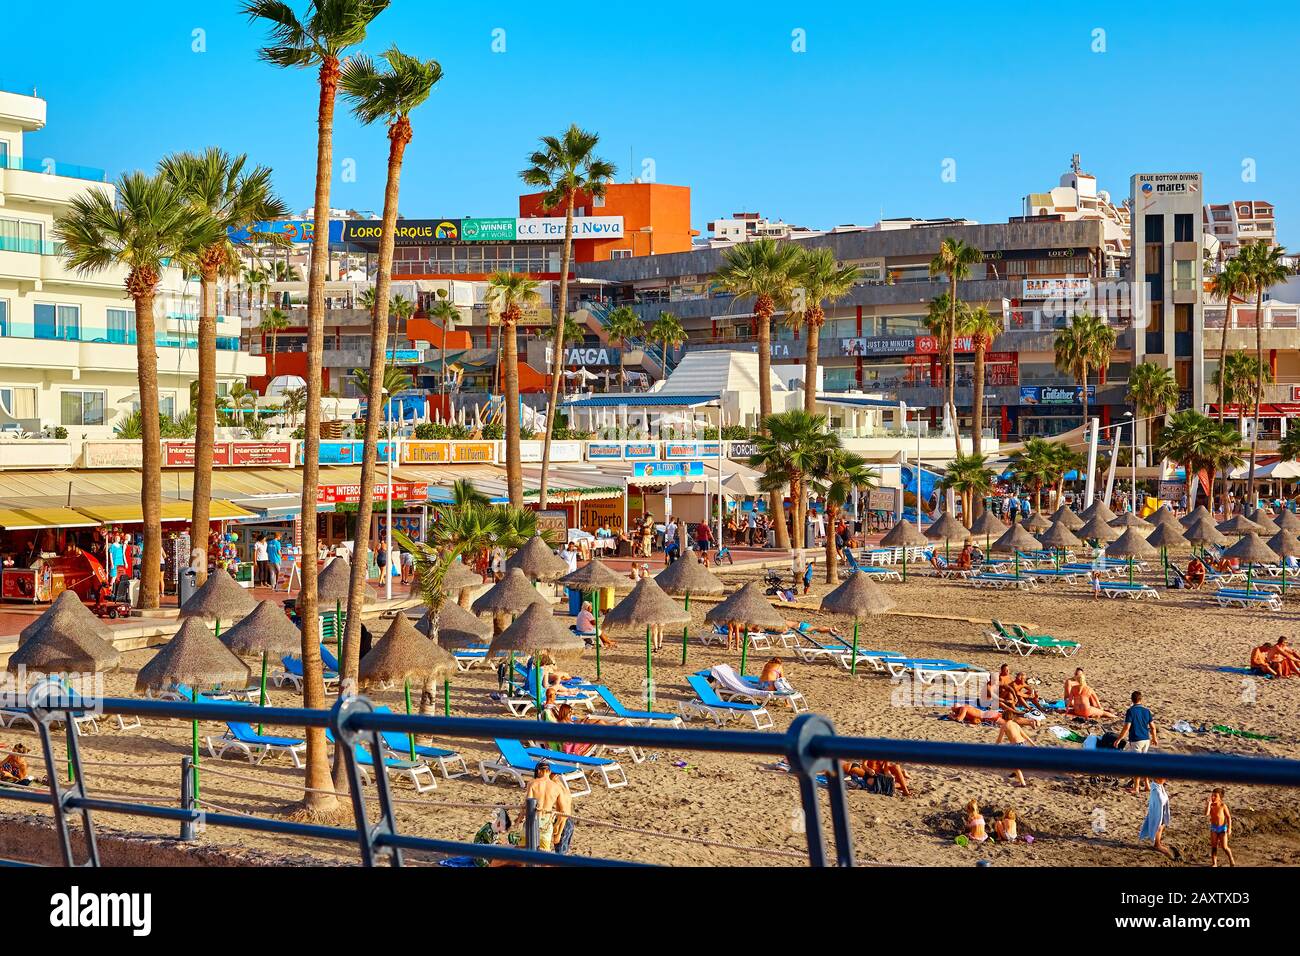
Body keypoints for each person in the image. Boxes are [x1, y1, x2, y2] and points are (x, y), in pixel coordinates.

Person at [524, 761, 573, 853]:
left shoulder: (533, 783)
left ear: (539, 771)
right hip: (548, 822)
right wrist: (556, 827)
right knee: (545, 853)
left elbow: (528, 803)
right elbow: (564, 812)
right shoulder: (559, 788)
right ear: (549, 772)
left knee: (524, 849)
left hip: (534, 818)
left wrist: (558, 830)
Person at [1118, 690, 1157, 795]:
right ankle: (1147, 785)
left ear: (1132, 700)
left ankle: (1136, 787)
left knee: (1137, 764)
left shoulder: (1131, 711)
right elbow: (1153, 727)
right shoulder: (1146, 711)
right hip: (1146, 739)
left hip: (1136, 740)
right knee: (1144, 763)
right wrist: (1154, 738)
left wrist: (1118, 739)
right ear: (1141, 699)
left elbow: (1127, 727)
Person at [1139, 777, 1175, 860]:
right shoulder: (1156, 789)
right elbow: (1160, 800)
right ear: (1158, 779)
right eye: (1164, 778)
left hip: (1160, 809)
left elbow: (1162, 799)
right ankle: (1157, 844)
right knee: (1158, 826)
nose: (1166, 779)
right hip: (1157, 811)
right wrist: (1166, 798)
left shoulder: (1159, 786)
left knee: (1161, 825)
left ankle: (1158, 843)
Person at [995, 717, 1034, 786]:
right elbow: (1025, 736)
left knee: (1014, 765)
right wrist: (1034, 744)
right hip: (1024, 744)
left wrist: (994, 747)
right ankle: (1015, 772)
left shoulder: (1004, 726)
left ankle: (1023, 784)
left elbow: (999, 740)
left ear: (1003, 718)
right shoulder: (1015, 724)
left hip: (1016, 746)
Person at [1205, 788, 1236, 867]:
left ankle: (1231, 859)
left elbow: (1228, 817)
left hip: (1222, 828)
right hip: (1214, 828)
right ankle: (1214, 863)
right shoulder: (1211, 805)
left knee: (1224, 847)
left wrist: (1229, 828)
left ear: (1220, 798)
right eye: (1212, 795)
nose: (1213, 797)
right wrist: (1208, 804)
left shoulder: (1223, 805)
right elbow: (1206, 814)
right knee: (1214, 846)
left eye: (1215, 796)